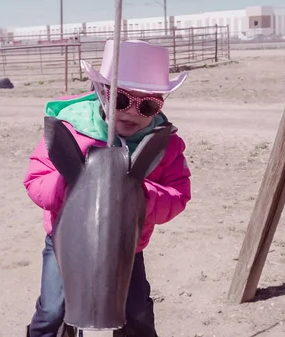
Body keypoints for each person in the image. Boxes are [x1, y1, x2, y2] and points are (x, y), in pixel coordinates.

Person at [23, 39, 192, 337]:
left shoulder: (166, 145)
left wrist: (138, 196)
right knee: (52, 310)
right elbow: (35, 181)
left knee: (137, 312)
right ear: (101, 91)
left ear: (160, 103)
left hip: (127, 246)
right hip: (66, 242)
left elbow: (177, 197)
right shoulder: (70, 131)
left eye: (148, 104)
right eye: (121, 100)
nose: (131, 112)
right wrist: (72, 187)